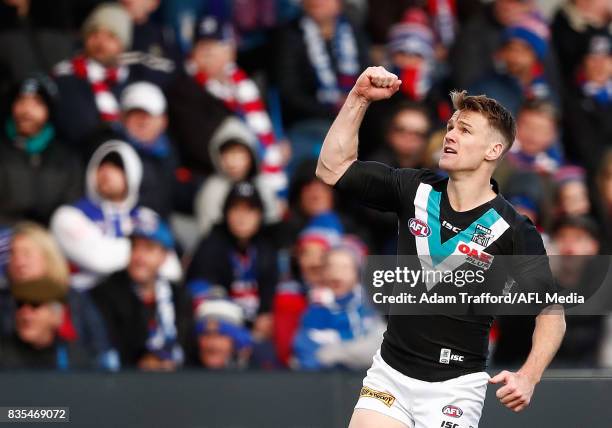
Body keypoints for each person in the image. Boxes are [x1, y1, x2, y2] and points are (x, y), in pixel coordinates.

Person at [317, 66, 565, 427]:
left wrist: (529, 375)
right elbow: (331, 168)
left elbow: (551, 313)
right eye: (450, 126)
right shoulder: (413, 189)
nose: (450, 135)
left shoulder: (512, 229)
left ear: (494, 149)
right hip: (390, 375)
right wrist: (359, 97)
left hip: (455, 389)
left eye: (465, 130)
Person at [50, 140, 181, 290]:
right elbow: (100, 260)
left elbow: (172, 270)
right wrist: (142, 251)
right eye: (102, 165)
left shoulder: (145, 216)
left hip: (131, 302)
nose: (106, 171)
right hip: (82, 299)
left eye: (117, 167)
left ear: (133, 173)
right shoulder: (68, 216)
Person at [2, 222, 116, 370]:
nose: (18, 261)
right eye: (12, 254)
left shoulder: (75, 300)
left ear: (47, 257)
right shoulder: (4, 300)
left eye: (26, 254)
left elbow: (101, 350)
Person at [91, 212, 192, 370]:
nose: (139, 257)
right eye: (134, 247)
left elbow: (188, 346)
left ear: (164, 256)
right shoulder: (105, 293)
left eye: (149, 249)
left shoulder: (179, 296)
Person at [187, 182, 278, 341]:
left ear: (259, 215)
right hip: (219, 328)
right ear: (226, 213)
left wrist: (266, 315)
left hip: (258, 330)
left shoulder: (266, 248)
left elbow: (271, 290)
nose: (242, 217)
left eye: (249, 210)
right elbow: (201, 296)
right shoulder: (210, 245)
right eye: (235, 209)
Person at [0, 74, 82, 226]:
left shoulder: (66, 158)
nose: (26, 111)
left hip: (51, 241)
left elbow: (72, 209)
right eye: (21, 101)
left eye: (36, 104)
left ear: (48, 110)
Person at [53, 3, 134, 152]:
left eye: (111, 36)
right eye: (94, 34)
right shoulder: (66, 78)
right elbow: (76, 128)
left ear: (123, 44)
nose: (100, 42)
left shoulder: (129, 84)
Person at [293, 244, 385, 370]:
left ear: (356, 274)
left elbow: (379, 350)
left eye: (345, 267)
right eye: (332, 267)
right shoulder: (314, 310)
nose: (337, 273)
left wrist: (335, 353)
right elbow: (304, 350)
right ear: (323, 273)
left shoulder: (368, 309)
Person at [194, 117, 282, 237]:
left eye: (238, 153)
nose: (232, 162)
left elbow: (272, 224)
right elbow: (207, 232)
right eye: (226, 154)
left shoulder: (263, 186)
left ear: (251, 155)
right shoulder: (212, 190)